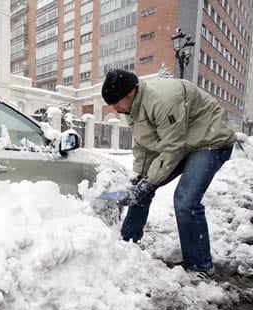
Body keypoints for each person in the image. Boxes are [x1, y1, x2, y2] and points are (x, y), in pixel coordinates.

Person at [101, 69, 236, 280]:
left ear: (130, 92)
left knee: (185, 201)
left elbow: (171, 148)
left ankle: (200, 265)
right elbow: (144, 147)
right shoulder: (134, 109)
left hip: (210, 140)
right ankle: (128, 242)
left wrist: (149, 182)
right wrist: (140, 178)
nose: (115, 108)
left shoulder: (163, 100)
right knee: (142, 187)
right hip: (183, 142)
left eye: (116, 102)